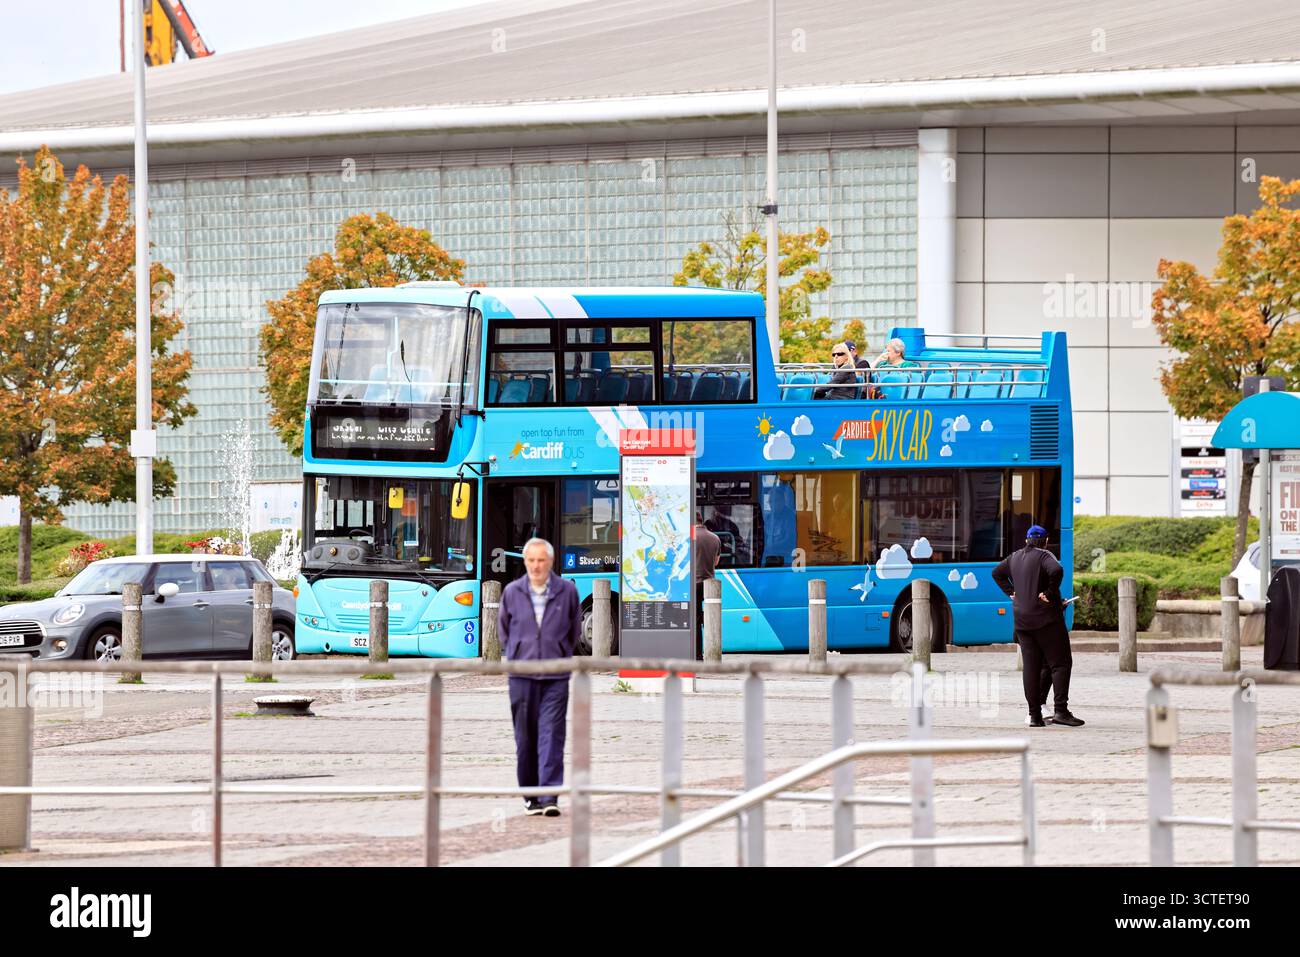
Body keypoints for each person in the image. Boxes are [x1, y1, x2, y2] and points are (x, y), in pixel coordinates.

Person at [496, 537, 583, 816]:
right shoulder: (512, 592)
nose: (536, 566)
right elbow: (504, 630)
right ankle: (531, 795)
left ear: (550, 562)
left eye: (541, 560)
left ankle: (549, 796)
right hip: (521, 676)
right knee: (525, 738)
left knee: (552, 734)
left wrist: (559, 653)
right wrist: (517, 654)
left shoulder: (567, 591)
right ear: (525, 562)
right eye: (531, 560)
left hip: (555, 676)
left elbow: (574, 631)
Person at [991, 525, 1084, 728]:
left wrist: (1012, 591)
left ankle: (1034, 716)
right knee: (1060, 663)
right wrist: (1050, 593)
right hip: (1046, 620)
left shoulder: (1014, 557)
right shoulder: (1044, 556)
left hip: (1022, 622)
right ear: (1046, 540)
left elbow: (996, 573)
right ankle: (1061, 711)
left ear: (1026, 540)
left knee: (1031, 668)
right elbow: (1057, 570)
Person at [694, 511, 721, 656]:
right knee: (710, 617)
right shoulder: (715, 538)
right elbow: (716, 562)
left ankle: (697, 655)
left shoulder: (689, 538)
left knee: (695, 620)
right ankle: (712, 652)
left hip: (693, 584)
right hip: (709, 584)